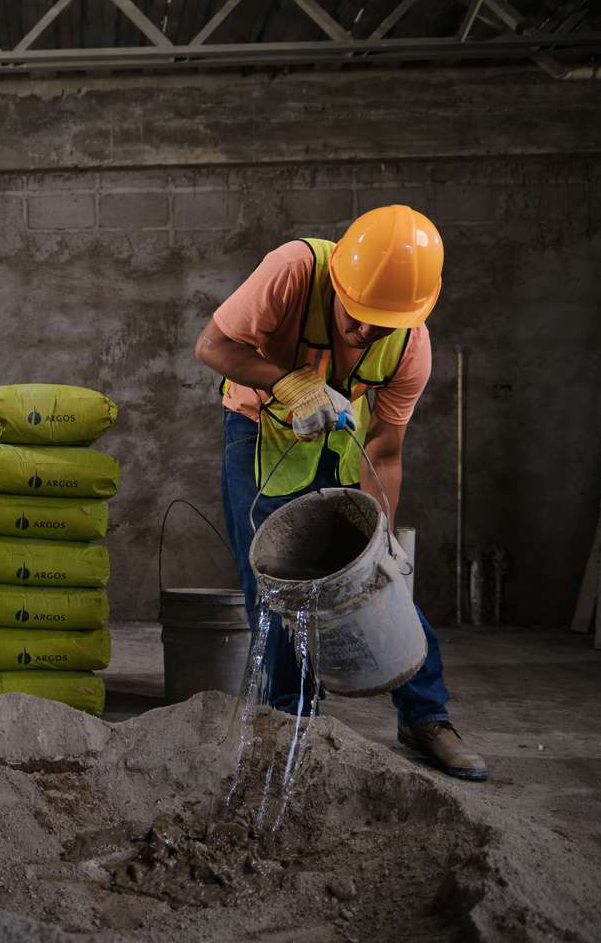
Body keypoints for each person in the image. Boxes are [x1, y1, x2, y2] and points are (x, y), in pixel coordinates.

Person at [193, 204, 488, 782]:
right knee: (275, 586)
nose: (366, 332)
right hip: (259, 430)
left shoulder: (411, 348)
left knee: (376, 578)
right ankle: (290, 722)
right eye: (358, 314)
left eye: (384, 322)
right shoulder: (293, 270)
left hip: (338, 440)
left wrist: (381, 547)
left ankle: (426, 716)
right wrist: (286, 382)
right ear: (339, 283)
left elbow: (385, 449)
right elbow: (212, 347)